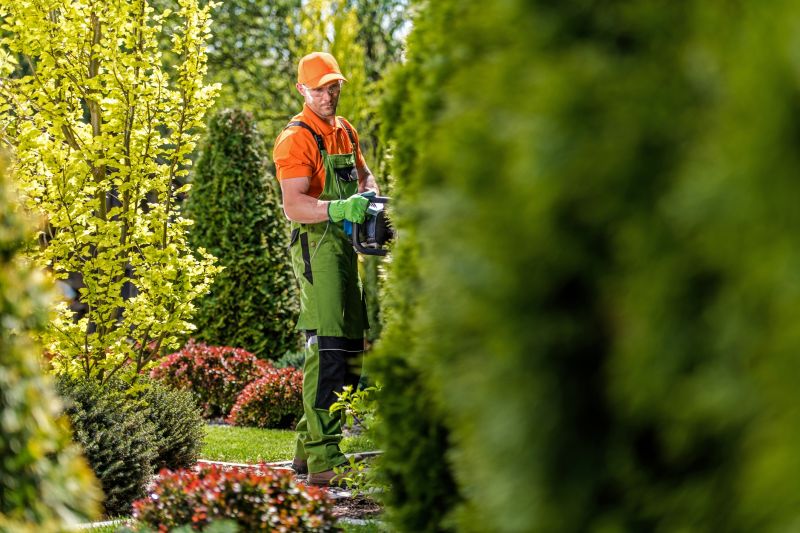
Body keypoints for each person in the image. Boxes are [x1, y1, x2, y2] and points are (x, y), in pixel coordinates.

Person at [272, 51, 379, 486]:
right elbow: (293, 205)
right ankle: (322, 461)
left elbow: (365, 175)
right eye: (319, 89)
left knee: (351, 347)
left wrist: (368, 199)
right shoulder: (294, 140)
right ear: (302, 90)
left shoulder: (345, 130)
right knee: (331, 348)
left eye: (333, 86)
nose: (328, 95)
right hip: (317, 250)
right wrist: (339, 207)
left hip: (346, 246)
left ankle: (305, 451)